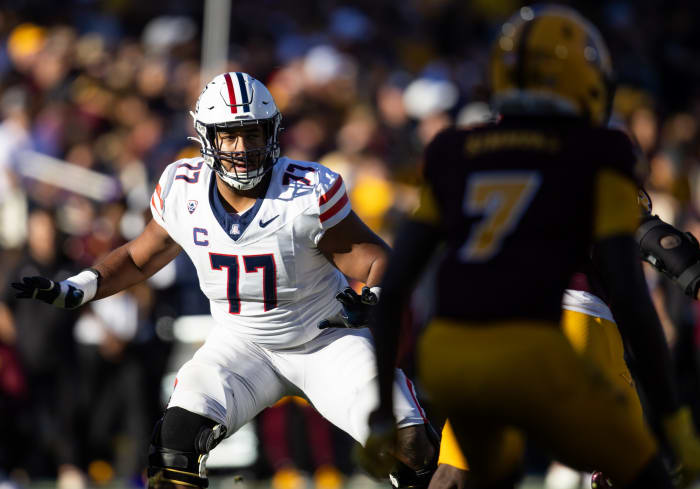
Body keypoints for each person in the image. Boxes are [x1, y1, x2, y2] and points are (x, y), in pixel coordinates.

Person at [12, 72, 437, 489]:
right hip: (242, 344)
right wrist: (81, 286)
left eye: (253, 134)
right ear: (207, 138)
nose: (242, 148)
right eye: (229, 135)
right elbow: (140, 258)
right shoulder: (183, 190)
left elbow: (373, 259)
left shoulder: (307, 191)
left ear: (271, 133)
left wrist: (375, 295)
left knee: (411, 444)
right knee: (173, 447)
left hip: (324, 339)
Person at [363, 5, 700, 489]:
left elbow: (395, 288)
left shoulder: (455, 151)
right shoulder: (596, 152)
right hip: (573, 323)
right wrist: (673, 418)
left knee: (454, 478)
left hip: (471, 337)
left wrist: (380, 409)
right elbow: (643, 265)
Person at [429, 188, 700, 489]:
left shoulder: (491, 162)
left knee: (454, 474)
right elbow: (655, 238)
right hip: (572, 315)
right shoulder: (587, 162)